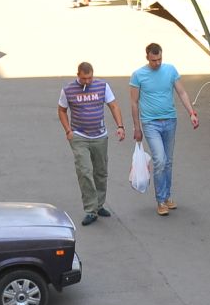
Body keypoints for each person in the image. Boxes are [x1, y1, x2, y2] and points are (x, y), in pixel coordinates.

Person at [131, 42, 200, 217]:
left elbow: (182, 92)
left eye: (160, 58)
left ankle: (167, 196)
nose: (157, 63)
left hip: (170, 120)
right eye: (154, 60)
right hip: (150, 123)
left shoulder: (170, 70)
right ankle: (160, 200)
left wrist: (191, 112)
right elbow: (134, 102)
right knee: (160, 160)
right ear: (147, 57)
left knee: (168, 161)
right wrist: (136, 127)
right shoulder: (138, 75)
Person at [58, 62, 125, 226]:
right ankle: (90, 210)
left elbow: (113, 105)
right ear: (77, 75)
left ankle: (99, 204)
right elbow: (61, 110)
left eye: (90, 78)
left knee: (101, 172)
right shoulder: (68, 90)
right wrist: (68, 130)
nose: (87, 81)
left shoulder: (102, 86)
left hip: (100, 136)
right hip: (79, 136)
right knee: (85, 171)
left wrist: (120, 126)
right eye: (84, 78)